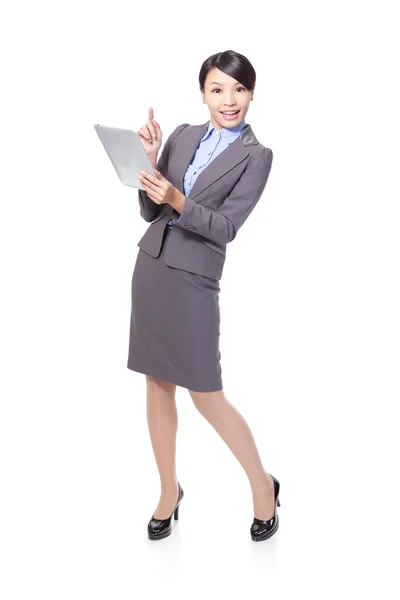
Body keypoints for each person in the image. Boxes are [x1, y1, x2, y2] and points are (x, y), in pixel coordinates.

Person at [127, 50, 280, 542]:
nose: (228, 100)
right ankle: (168, 491)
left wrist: (177, 199)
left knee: (206, 394)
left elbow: (225, 227)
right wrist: (148, 165)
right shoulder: (183, 135)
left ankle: (262, 485)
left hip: (194, 278)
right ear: (203, 93)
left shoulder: (257, 156)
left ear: (251, 93)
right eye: (218, 89)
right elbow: (151, 215)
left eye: (238, 89)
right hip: (152, 269)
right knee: (156, 384)